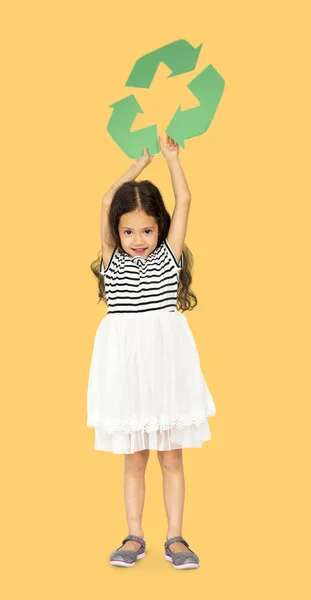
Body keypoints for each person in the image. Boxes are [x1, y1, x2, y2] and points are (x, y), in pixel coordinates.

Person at [87, 135, 216, 569]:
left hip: (165, 367)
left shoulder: (168, 257)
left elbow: (185, 197)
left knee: (172, 456)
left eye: (146, 230)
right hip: (126, 371)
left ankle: (176, 538)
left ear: (160, 228)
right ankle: (133, 535)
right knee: (134, 457)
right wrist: (138, 164)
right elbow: (108, 199)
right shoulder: (112, 260)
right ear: (115, 231)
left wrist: (171, 159)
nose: (137, 239)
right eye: (127, 231)